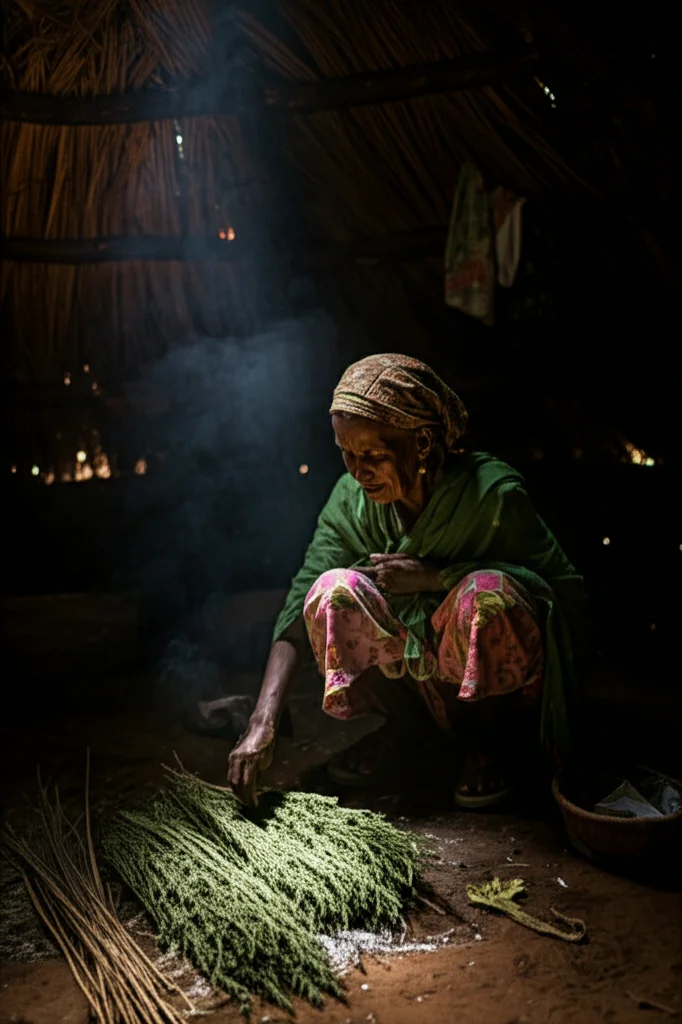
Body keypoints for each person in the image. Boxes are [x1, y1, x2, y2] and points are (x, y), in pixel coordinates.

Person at [227, 354, 589, 807]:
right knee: (332, 591)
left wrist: (437, 578)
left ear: (421, 443)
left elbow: (560, 591)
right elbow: (300, 597)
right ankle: (404, 731)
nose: (359, 472)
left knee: (487, 597)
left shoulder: (491, 496)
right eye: (347, 453)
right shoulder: (350, 500)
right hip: (410, 685)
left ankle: (484, 743)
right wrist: (263, 721)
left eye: (374, 454)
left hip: (489, 694)